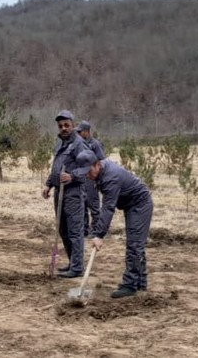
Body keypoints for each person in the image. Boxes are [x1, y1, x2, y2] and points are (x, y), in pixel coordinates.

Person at [73, 149, 153, 298]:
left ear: (97, 165)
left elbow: (108, 207)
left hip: (140, 204)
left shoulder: (111, 177)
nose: (87, 175)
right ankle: (140, 283)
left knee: (134, 244)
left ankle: (130, 285)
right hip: (130, 205)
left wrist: (99, 234)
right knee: (135, 245)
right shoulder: (98, 172)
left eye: (88, 171)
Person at [41, 110, 88, 278]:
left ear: (73, 125)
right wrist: (48, 184)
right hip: (59, 191)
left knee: (75, 230)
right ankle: (72, 262)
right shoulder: (60, 143)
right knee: (63, 230)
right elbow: (57, 166)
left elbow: (88, 168)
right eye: (60, 126)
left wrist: (72, 176)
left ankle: (77, 268)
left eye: (67, 125)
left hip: (74, 192)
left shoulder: (79, 144)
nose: (64, 128)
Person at [76, 120, 105, 237]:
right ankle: (84, 230)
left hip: (92, 178)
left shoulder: (95, 144)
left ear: (86, 132)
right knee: (82, 204)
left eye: (80, 131)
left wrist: (97, 179)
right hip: (82, 178)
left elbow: (102, 160)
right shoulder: (78, 143)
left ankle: (96, 230)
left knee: (94, 205)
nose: (78, 133)